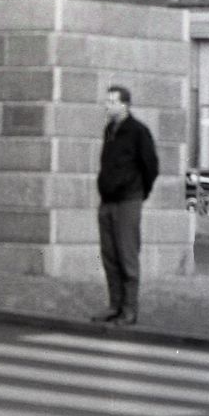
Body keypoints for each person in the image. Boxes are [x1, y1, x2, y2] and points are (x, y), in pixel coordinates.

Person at [92, 83, 159, 327]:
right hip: (107, 201)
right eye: (107, 101)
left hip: (128, 201)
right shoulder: (110, 130)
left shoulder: (138, 131)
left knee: (127, 256)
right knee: (110, 256)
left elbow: (151, 166)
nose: (107, 106)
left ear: (125, 105)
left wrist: (139, 192)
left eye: (112, 102)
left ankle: (130, 309)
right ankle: (114, 305)